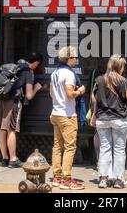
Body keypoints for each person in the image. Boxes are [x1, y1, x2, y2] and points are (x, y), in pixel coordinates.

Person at [0, 53, 43, 168]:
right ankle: (13, 158)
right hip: (12, 102)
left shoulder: (13, 67)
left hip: (0, 100)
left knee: (2, 128)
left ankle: (4, 158)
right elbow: (29, 95)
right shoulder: (28, 71)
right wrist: (36, 88)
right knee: (11, 129)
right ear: (36, 62)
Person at [92, 54, 127, 189]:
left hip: (102, 118)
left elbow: (94, 99)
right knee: (119, 150)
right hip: (119, 119)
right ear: (120, 66)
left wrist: (94, 115)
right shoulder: (124, 81)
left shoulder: (99, 80)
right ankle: (118, 180)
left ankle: (103, 179)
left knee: (104, 148)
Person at [49, 46, 85, 190]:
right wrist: (80, 90)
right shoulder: (69, 74)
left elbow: (51, 93)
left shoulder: (55, 72)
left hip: (56, 113)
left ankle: (57, 177)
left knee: (57, 146)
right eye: (75, 57)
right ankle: (66, 179)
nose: (76, 59)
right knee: (70, 147)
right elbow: (70, 94)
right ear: (69, 59)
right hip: (67, 115)